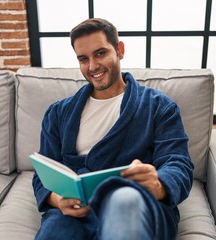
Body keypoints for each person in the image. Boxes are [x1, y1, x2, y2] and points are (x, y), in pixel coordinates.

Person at [32, 18, 194, 240]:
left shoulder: (159, 106)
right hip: (77, 211)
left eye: (100, 53)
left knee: (124, 200)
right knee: (55, 232)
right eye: (83, 59)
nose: (92, 66)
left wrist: (158, 183)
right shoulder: (58, 113)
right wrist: (59, 200)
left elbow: (179, 163)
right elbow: (43, 174)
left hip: (134, 201)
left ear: (120, 50)